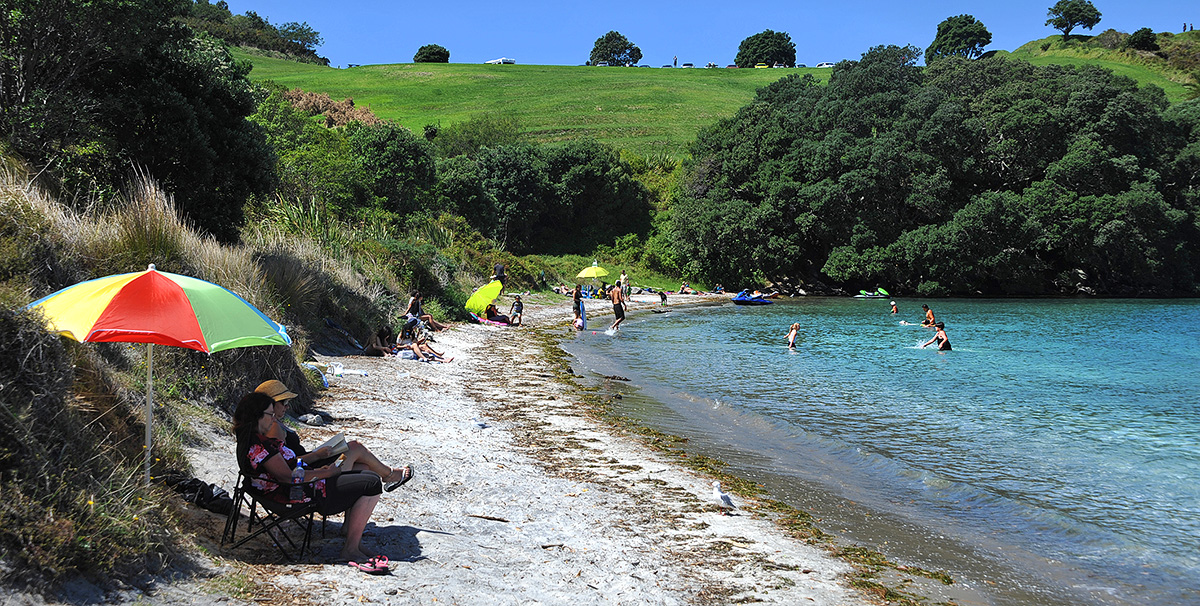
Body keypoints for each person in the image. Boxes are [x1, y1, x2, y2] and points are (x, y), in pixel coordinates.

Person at [233, 390, 383, 564]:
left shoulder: (251, 440)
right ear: (257, 416)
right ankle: (350, 549)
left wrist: (318, 463)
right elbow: (288, 477)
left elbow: (289, 467)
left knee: (364, 471)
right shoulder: (260, 447)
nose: (273, 419)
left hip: (296, 488)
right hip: (298, 495)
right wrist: (326, 473)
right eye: (270, 414)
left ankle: (354, 541)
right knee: (372, 483)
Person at [256, 380, 416, 487]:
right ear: (270, 404)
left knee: (364, 467)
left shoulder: (273, 424)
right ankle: (389, 475)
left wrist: (318, 454)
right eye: (284, 402)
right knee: (355, 447)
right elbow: (287, 464)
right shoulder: (273, 428)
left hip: (309, 466)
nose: (287, 406)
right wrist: (317, 455)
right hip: (310, 471)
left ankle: (350, 523)